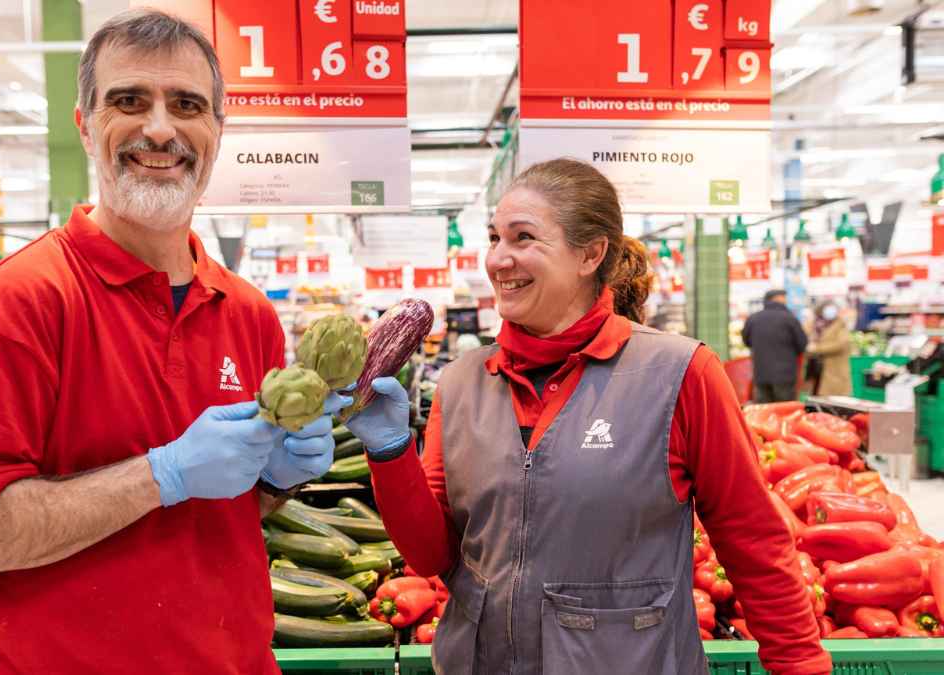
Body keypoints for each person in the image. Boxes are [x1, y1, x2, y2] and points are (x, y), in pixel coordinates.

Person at [0, 10, 347, 673]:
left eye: (188, 105)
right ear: (86, 126)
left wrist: (275, 481)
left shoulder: (250, 313)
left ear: (217, 134)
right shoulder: (21, 301)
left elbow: (224, 517)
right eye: (130, 100)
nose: (161, 128)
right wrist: (159, 475)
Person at [343, 159, 830, 675]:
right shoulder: (463, 382)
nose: (498, 259)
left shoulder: (680, 375)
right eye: (493, 238)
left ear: (590, 254)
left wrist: (798, 664)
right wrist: (391, 453)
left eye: (523, 237)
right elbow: (434, 556)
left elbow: (753, 541)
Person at [743, 289, 808, 403]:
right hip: (785, 375)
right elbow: (802, 344)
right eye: (784, 298)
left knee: (764, 412)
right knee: (785, 410)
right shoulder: (789, 318)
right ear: (778, 299)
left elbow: (746, 341)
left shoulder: (753, 318)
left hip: (761, 372)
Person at [807, 300, 852, 397]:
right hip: (814, 368)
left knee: (831, 399)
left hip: (834, 369)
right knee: (814, 396)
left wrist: (817, 348)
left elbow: (841, 345)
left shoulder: (840, 324)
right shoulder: (813, 324)